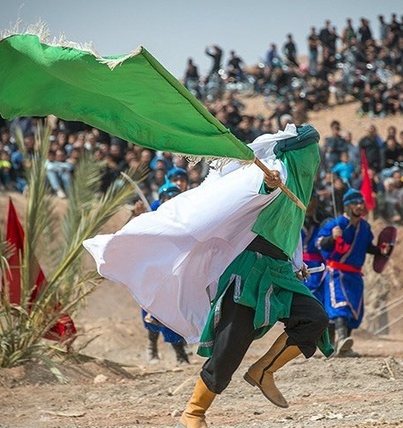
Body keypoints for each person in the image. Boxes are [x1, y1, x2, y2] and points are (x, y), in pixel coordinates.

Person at [177, 125, 332, 427]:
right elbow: (254, 190)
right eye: (309, 156)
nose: (313, 164)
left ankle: (263, 371)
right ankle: (193, 413)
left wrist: (296, 262)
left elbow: (290, 233)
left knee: (314, 319)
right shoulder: (277, 172)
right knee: (229, 350)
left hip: (280, 270)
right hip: (250, 269)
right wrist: (268, 185)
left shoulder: (299, 193)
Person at [317, 189, 389, 357]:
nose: (359, 206)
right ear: (347, 206)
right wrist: (332, 238)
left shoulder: (365, 227)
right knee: (340, 305)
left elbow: (367, 246)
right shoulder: (335, 224)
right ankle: (341, 339)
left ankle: (344, 348)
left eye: (361, 203)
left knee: (353, 311)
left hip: (355, 275)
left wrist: (380, 251)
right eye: (355, 203)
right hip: (337, 273)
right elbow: (320, 243)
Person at [143, 183, 190, 365]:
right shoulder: (153, 217)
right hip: (156, 270)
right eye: (168, 197)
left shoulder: (186, 216)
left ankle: (181, 352)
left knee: (175, 312)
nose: (171, 201)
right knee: (154, 311)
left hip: (178, 268)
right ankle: (153, 348)